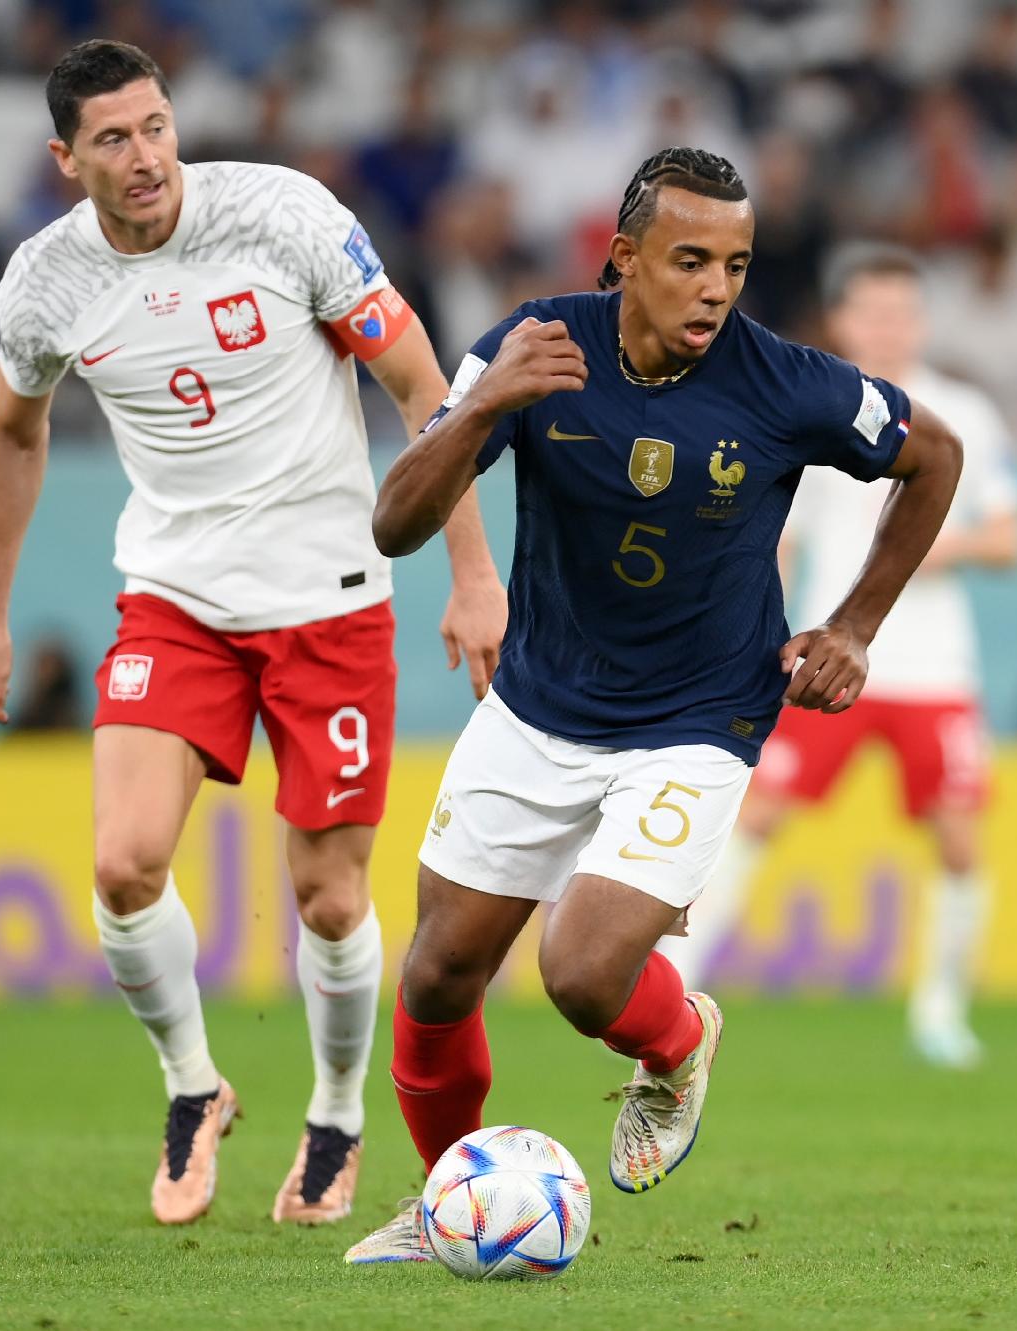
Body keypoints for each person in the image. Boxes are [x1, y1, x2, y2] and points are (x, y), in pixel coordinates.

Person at [345, 147, 963, 1264]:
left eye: (735, 263)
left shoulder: (783, 381)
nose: (717, 287)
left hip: (698, 718)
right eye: (690, 260)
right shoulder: (539, 344)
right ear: (625, 258)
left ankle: (677, 1041)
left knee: (582, 973)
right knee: (437, 971)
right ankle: (449, 1202)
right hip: (537, 705)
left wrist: (856, 624)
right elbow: (394, 523)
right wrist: (483, 402)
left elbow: (937, 454)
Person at [0, 40, 507, 1231]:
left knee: (326, 897)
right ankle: (193, 1085)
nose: (144, 156)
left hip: (330, 592)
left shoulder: (284, 217)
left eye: (154, 126)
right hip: (176, 596)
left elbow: (423, 391)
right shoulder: (44, 284)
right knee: (122, 861)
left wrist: (471, 571)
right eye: (112, 138)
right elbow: (13, 432)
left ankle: (339, 1112)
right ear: (66, 159)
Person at [658, 246, 1017, 1069]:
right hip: (827, 658)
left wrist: (940, 544)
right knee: (754, 815)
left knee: (960, 840)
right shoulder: (809, 400)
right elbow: (777, 538)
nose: (890, 327)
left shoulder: (963, 409)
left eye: (904, 312)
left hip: (934, 667)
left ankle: (941, 1010)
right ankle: (674, 994)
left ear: (922, 320)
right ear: (844, 320)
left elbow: (1011, 537)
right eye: (874, 312)